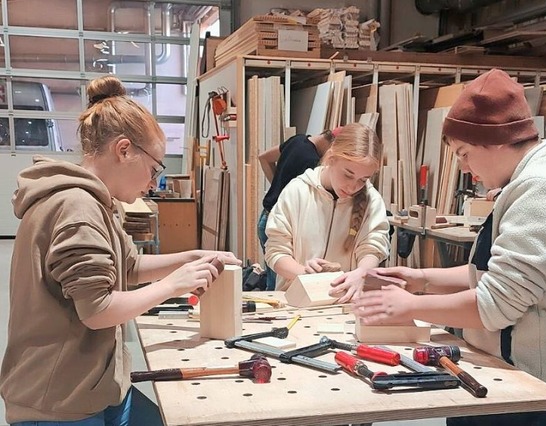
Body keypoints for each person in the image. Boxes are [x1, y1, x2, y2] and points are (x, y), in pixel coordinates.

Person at [354, 69, 546, 425]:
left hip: (542, 394)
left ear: (498, 140)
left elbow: (496, 305)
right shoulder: (528, 182)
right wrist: (422, 278)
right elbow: (493, 274)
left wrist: (412, 306)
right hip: (517, 378)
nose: (464, 167)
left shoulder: (545, 191)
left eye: (464, 153)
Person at [0, 75, 241, 426]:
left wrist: (193, 257)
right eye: (154, 167)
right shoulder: (76, 208)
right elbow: (96, 310)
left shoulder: (99, 202)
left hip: (95, 384)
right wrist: (174, 285)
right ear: (124, 149)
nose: (154, 181)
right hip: (59, 401)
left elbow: (128, 265)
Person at [265, 122, 390, 302]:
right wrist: (304, 273)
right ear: (331, 158)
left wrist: (361, 273)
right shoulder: (297, 191)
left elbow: (372, 248)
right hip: (296, 301)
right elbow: (276, 251)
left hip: (344, 302)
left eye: (363, 180)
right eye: (348, 174)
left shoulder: (372, 200)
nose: (353, 186)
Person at [257, 129, 336, 290]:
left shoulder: (297, 141)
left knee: (272, 276)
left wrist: (277, 186)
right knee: (278, 277)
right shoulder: (312, 163)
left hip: (266, 216)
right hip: (279, 223)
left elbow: (263, 158)